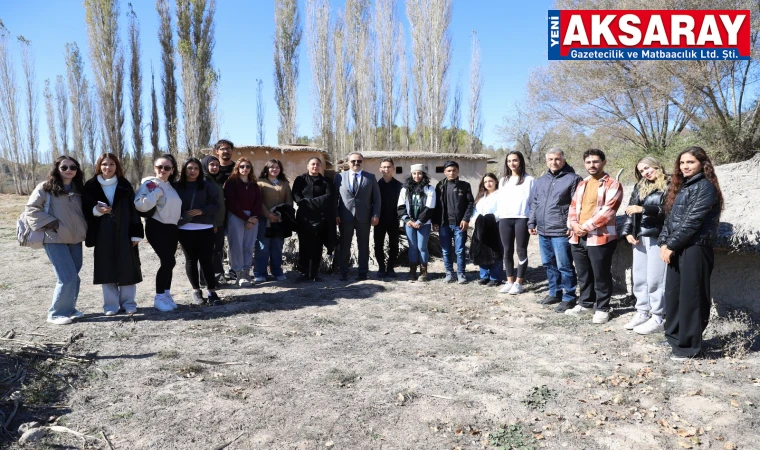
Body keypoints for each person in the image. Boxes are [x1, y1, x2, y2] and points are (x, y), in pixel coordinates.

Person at [659, 147, 722, 361]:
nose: (685, 166)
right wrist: (663, 242)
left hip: (695, 248)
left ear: (702, 164)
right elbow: (670, 219)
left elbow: (692, 222)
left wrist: (671, 245)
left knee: (691, 298)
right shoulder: (682, 187)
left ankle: (690, 347)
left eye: (690, 162)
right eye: (682, 163)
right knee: (674, 296)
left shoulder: (705, 187)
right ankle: (676, 338)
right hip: (677, 247)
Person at [25, 156, 88, 325]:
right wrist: (52, 223)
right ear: (57, 169)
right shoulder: (45, 188)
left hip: (75, 238)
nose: (69, 170)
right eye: (64, 167)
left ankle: (69, 309)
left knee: (74, 276)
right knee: (66, 276)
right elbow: (31, 209)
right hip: (54, 238)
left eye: (73, 167)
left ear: (77, 170)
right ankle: (55, 313)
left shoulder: (79, 189)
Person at [565, 149, 623, 324]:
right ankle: (586, 303)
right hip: (578, 236)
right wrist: (574, 225)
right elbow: (573, 207)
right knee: (583, 273)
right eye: (589, 162)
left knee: (601, 273)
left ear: (604, 162)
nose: (592, 165)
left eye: (596, 162)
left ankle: (603, 308)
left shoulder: (613, 184)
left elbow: (608, 211)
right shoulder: (582, 184)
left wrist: (585, 227)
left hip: (600, 236)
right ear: (584, 164)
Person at [82, 153, 144, 316]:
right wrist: (96, 211)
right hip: (102, 231)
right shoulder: (91, 186)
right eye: (104, 164)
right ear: (98, 166)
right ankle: (110, 306)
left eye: (111, 164)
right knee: (106, 267)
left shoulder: (125, 185)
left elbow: (133, 210)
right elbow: (84, 209)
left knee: (127, 267)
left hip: (125, 230)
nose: (107, 168)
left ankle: (128, 303)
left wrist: (136, 233)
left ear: (117, 166)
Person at [528, 148, 581, 312]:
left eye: (557, 159)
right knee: (548, 263)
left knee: (564, 265)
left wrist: (572, 225)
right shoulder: (541, 180)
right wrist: (531, 222)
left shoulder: (573, 179)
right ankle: (554, 292)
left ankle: (569, 296)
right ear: (546, 161)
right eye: (550, 159)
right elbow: (535, 203)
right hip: (543, 230)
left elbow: (577, 205)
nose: (554, 162)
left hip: (560, 231)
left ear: (563, 160)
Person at [620, 156, 669, 334]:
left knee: (656, 278)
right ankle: (642, 312)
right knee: (640, 277)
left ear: (657, 165)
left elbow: (671, 210)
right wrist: (627, 231)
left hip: (658, 236)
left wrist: (645, 209)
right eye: (641, 171)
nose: (645, 172)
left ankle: (658, 316)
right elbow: (630, 209)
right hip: (639, 236)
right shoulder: (640, 186)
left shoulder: (670, 183)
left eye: (648, 168)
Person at [135, 154, 182, 312]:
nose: (163, 170)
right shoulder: (150, 184)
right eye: (159, 167)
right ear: (154, 168)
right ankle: (159, 297)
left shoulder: (170, 186)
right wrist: (155, 193)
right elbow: (139, 205)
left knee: (170, 263)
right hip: (157, 227)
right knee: (168, 261)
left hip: (172, 228)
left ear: (172, 170)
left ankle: (166, 294)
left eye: (167, 167)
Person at [174, 157, 221, 304]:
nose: (192, 171)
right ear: (184, 169)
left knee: (206, 260)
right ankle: (196, 291)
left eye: (195, 168)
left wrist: (202, 211)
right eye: (189, 168)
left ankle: (212, 292)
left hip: (205, 227)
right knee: (190, 260)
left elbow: (216, 205)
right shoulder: (176, 186)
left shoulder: (207, 185)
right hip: (185, 228)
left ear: (200, 170)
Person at [334, 152, 381, 281]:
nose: (356, 163)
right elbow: (335, 198)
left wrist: (375, 215)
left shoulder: (370, 177)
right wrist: (336, 214)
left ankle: (363, 272)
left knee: (363, 245)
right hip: (345, 216)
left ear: (362, 162)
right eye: (353, 161)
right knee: (344, 245)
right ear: (348, 162)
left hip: (364, 217)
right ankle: (343, 271)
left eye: (359, 161)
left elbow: (377, 199)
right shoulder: (339, 177)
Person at [497, 151, 535, 294]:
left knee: (521, 250)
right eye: (509, 161)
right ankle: (509, 281)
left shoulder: (529, 180)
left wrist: (532, 222)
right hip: (505, 219)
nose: (512, 163)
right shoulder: (503, 180)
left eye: (515, 160)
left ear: (520, 161)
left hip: (522, 218)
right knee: (507, 251)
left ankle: (519, 282)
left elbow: (532, 202)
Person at [292, 157, 335, 281]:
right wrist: (307, 203)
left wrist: (309, 202)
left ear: (321, 167)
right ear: (307, 166)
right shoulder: (300, 180)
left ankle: (315, 272)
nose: (315, 166)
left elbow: (328, 196)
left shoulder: (326, 181)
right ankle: (304, 272)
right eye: (313, 164)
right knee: (304, 245)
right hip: (304, 218)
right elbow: (296, 196)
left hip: (320, 218)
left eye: (318, 164)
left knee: (317, 246)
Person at [432, 160, 475, 284]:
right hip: (444, 224)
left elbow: (470, 203)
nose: (452, 173)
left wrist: (466, 219)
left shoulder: (465, 186)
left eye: (454, 170)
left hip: (459, 224)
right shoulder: (440, 186)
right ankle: (449, 273)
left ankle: (461, 274)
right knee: (445, 250)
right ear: (445, 172)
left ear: (458, 171)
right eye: (449, 171)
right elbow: (436, 206)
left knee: (460, 250)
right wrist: (435, 221)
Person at [224, 158, 262, 287]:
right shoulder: (231, 183)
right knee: (236, 245)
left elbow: (258, 202)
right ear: (237, 168)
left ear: (251, 169)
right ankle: (238, 274)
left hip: (252, 217)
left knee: (248, 246)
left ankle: (246, 273)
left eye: (247, 166)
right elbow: (231, 203)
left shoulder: (254, 185)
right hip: (236, 216)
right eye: (242, 166)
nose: (244, 169)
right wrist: (246, 218)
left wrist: (254, 217)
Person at [254, 159, 293, 282]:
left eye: (277, 167)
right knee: (262, 247)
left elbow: (289, 201)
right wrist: (268, 214)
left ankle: (277, 271)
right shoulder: (260, 183)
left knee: (277, 247)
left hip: (279, 221)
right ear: (267, 169)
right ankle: (260, 273)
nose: (274, 169)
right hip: (263, 220)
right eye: (272, 167)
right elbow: (258, 201)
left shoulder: (284, 184)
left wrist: (281, 215)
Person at [397, 164, 436, 282]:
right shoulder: (405, 189)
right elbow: (401, 206)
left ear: (423, 174)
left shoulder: (429, 189)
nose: (417, 176)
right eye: (414, 173)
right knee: (412, 247)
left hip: (424, 223)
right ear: (411, 174)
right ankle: (412, 271)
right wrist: (408, 220)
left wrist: (419, 221)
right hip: (409, 223)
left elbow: (430, 207)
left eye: (419, 173)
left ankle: (423, 271)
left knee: (422, 247)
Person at [470, 173, 503, 286]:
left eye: (490, 181)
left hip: (495, 226)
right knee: (481, 251)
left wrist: (491, 219)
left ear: (495, 182)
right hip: (480, 226)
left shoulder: (500, 194)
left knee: (495, 252)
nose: (488, 184)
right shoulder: (481, 196)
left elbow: (502, 209)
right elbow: (475, 210)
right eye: (485, 182)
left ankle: (495, 277)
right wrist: (475, 219)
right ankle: (484, 276)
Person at [374, 158, 403, 278]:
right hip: (379, 220)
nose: (387, 169)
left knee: (394, 245)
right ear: (380, 169)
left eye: (389, 167)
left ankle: (390, 267)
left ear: (393, 168)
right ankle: (381, 267)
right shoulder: (375, 185)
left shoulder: (400, 186)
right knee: (378, 244)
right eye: (384, 167)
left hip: (394, 221)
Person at [201, 155, 227, 288]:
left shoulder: (212, 180)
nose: (215, 167)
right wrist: (213, 224)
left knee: (215, 251)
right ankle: (206, 280)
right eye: (212, 164)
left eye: (217, 165)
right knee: (209, 253)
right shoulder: (204, 181)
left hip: (218, 223)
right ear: (205, 165)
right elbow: (206, 204)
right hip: (211, 224)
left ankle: (211, 279)